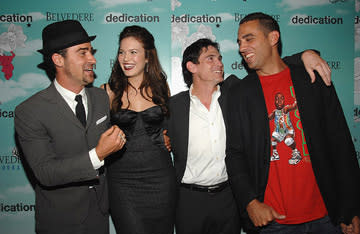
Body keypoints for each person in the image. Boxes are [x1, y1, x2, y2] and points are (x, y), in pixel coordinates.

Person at [166, 38, 331, 234]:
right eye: (210, 59)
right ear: (192, 66)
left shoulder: (235, 91)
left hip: (230, 198)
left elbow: (270, 64)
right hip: (188, 200)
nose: (219, 63)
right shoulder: (173, 106)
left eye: (219, 58)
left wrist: (304, 55)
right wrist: (162, 139)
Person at [226, 12, 360, 234]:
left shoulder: (312, 78)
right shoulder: (240, 93)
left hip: (327, 217)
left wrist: (352, 207)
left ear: (273, 38)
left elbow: (340, 142)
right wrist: (250, 202)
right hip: (274, 222)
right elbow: (234, 153)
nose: (242, 47)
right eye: (239, 41)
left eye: (249, 39)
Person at [14, 20, 126, 234]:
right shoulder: (29, 111)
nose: (92, 59)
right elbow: (45, 172)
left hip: (99, 216)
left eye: (91, 52)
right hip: (60, 221)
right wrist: (98, 154)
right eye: (82, 53)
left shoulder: (101, 98)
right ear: (58, 59)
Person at [101, 25, 176, 234]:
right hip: (123, 183)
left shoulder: (162, 88)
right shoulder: (107, 92)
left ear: (147, 57)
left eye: (133, 52)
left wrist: (168, 137)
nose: (126, 58)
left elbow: (170, 128)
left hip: (161, 180)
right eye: (122, 52)